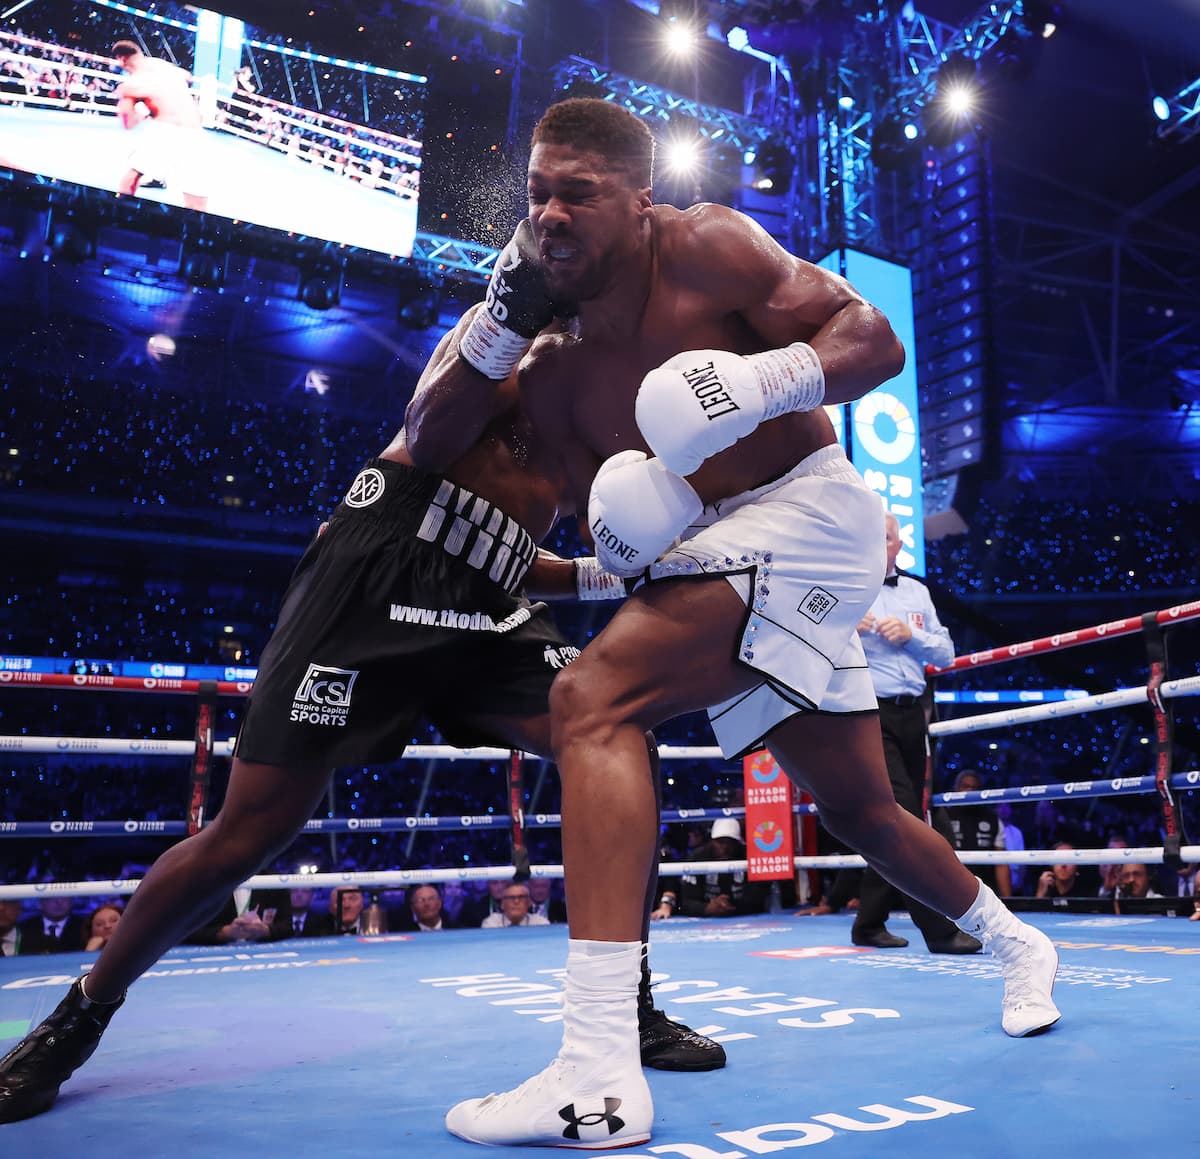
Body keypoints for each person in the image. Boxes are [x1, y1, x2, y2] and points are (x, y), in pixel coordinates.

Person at [0, 152, 720, 1123]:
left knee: (615, 740)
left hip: (490, 599)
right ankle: (74, 1020)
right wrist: (509, 313)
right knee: (250, 832)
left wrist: (622, 564)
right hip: (380, 572)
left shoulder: (618, 404)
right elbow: (428, 435)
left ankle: (622, 1009)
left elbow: (523, 545)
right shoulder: (506, 331)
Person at [437, 98, 1060, 1149]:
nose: (550, 213)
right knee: (864, 807)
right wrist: (567, 571)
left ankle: (595, 1065)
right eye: (537, 193)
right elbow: (635, 548)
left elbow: (876, 338)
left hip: (812, 510)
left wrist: (768, 380)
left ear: (637, 200)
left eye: (577, 193)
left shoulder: (708, 245)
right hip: (719, 556)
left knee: (590, 698)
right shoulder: (549, 369)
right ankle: (1019, 945)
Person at [846, 515, 982, 954]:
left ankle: (868, 924)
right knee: (904, 815)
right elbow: (807, 640)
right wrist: (846, 626)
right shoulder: (844, 585)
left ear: (898, 543)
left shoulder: (916, 592)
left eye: (884, 534)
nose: (877, 541)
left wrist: (912, 635)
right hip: (868, 712)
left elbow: (946, 652)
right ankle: (939, 931)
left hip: (914, 715)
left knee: (898, 816)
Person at [111, 41, 209, 212]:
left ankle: (118, 217)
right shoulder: (164, 66)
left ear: (122, 59)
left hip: (165, 130)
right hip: (195, 133)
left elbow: (129, 124)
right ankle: (194, 237)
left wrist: (142, 109)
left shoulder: (132, 85)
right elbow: (187, 76)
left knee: (130, 179)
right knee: (197, 201)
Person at [671, 819, 767, 918]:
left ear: (737, 843)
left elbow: (759, 897)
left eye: (729, 843)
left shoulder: (750, 857)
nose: (724, 847)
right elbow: (686, 900)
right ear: (712, 841)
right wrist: (706, 908)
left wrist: (731, 906)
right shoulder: (697, 858)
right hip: (706, 919)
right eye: (720, 842)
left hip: (744, 916)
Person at [942, 769, 1012, 900]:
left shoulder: (993, 819)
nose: (970, 791)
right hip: (952, 886)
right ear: (956, 789)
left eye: (975, 788)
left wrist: (1008, 901)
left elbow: (1001, 863)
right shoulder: (944, 817)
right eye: (965, 786)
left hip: (985, 889)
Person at [16, 897, 85, 955]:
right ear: (40, 903)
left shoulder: (83, 926)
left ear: (71, 902)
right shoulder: (25, 927)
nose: (59, 902)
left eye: (64, 898)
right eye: (52, 898)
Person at [480, 883, 551, 928]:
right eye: (511, 898)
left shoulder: (541, 923)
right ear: (502, 904)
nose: (516, 901)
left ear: (529, 902)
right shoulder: (491, 923)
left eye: (521, 897)